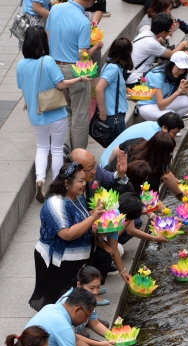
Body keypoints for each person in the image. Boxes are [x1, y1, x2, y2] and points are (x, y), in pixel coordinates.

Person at [16, 27, 90, 204]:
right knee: (56, 149)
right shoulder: (47, 61)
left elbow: (23, 87)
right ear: (43, 42)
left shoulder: (21, 64)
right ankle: (57, 185)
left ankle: (39, 179)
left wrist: (28, 102)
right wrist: (80, 79)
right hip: (55, 113)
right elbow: (61, 84)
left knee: (42, 147)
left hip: (36, 114)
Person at [29, 161, 104, 311]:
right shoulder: (56, 203)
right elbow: (66, 234)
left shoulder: (76, 196)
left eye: (84, 180)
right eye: (81, 181)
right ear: (66, 183)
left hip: (75, 259)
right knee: (59, 301)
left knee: (75, 297)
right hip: (58, 261)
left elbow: (81, 219)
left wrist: (97, 219)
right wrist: (92, 218)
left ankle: (82, 321)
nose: (84, 184)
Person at [46, 0, 104, 153]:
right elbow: (82, 55)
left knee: (63, 109)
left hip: (54, 68)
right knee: (79, 113)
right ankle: (78, 154)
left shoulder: (55, 9)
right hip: (74, 71)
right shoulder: (83, 22)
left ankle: (64, 146)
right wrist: (96, 47)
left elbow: (48, 36)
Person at [68, 148, 133, 284]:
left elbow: (109, 178)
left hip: (93, 233)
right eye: (90, 168)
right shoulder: (67, 195)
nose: (94, 171)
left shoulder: (94, 172)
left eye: (94, 165)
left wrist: (119, 173)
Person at [110, 131, 184, 200]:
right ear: (163, 155)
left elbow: (115, 151)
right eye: (170, 151)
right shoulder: (150, 173)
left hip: (109, 176)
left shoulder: (136, 142)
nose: (171, 153)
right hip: (119, 195)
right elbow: (152, 201)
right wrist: (181, 195)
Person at [100, 111, 184, 171]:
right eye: (174, 133)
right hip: (109, 167)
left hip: (105, 160)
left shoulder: (149, 124)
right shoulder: (154, 139)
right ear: (164, 128)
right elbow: (165, 173)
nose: (175, 136)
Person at [127, 13, 188, 88]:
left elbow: (154, 44)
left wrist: (162, 38)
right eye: (169, 30)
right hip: (136, 81)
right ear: (163, 32)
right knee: (170, 68)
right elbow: (172, 54)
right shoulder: (151, 43)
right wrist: (182, 45)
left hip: (131, 75)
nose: (170, 32)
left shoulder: (145, 33)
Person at [58, 265, 118, 341]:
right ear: (79, 285)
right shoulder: (68, 302)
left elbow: (95, 324)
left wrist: (115, 338)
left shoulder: (87, 298)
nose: (96, 292)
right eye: (92, 288)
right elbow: (71, 339)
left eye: (98, 287)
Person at [139, 51, 188, 121]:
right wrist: (178, 92)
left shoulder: (177, 74)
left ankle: (170, 122)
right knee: (172, 116)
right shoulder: (157, 76)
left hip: (162, 102)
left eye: (183, 69)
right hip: (147, 106)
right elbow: (161, 106)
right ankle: (170, 122)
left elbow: (187, 93)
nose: (180, 71)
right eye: (178, 68)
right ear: (171, 64)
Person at [96, 38, 133, 132]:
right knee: (121, 145)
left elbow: (112, 90)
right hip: (114, 116)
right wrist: (102, 112)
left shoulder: (110, 65)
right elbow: (99, 89)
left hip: (115, 114)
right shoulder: (113, 68)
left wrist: (129, 96)